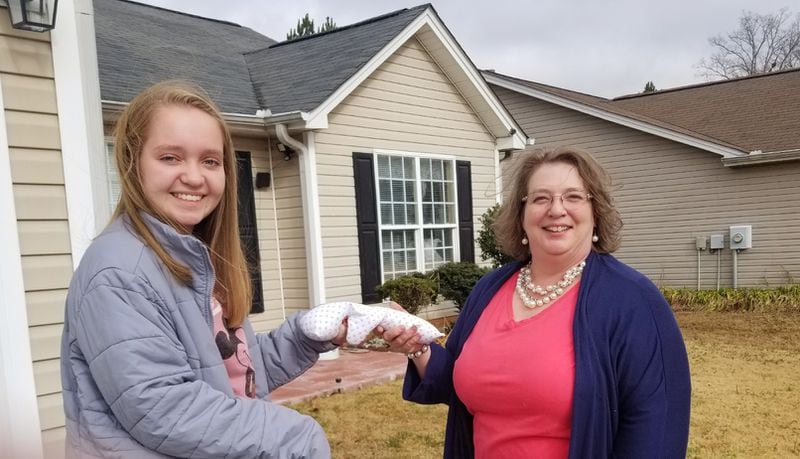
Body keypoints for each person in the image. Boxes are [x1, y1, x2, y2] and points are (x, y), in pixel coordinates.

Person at [61, 81, 346, 458]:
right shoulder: (119, 272)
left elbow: (231, 368)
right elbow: (162, 407)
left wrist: (306, 335)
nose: (194, 177)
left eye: (210, 161)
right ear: (131, 161)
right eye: (170, 157)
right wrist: (295, 436)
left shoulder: (193, 257)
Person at [381, 146, 691, 458]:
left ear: (595, 213)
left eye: (573, 197)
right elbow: (460, 385)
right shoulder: (491, 288)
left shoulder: (633, 301)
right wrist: (417, 346)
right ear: (522, 215)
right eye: (541, 198)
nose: (556, 209)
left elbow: (657, 433)